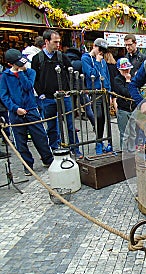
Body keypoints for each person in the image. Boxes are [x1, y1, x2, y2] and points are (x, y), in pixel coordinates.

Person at [0, 49, 53, 175]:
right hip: (15, 112)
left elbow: (28, 86)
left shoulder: (30, 72)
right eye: (19, 63)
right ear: (10, 64)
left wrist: (21, 73)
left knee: (40, 136)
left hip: (31, 109)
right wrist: (14, 108)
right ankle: (27, 165)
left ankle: (48, 159)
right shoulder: (5, 76)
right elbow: (4, 95)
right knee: (20, 141)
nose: (23, 64)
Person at [31, 29, 82, 158]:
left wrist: (69, 91)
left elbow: (70, 74)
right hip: (48, 98)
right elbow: (34, 78)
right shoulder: (37, 59)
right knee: (52, 126)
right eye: (55, 42)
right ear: (47, 41)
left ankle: (75, 148)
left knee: (70, 124)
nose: (58, 44)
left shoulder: (61, 56)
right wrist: (40, 93)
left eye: (59, 42)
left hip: (63, 96)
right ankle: (55, 149)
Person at [81, 38, 112, 155]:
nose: (101, 52)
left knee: (104, 118)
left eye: (103, 50)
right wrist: (98, 62)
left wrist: (109, 91)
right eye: (100, 49)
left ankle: (103, 141)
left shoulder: (103, 61)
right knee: (98, 116)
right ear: (94, 46)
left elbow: (106, 76)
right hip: (95, 92)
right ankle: (99, 141)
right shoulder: (86, 58)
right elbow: (91, 74)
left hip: (104, 91)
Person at [113, 58, 137, 152]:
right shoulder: (117, 80)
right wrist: (127, 81)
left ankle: (132, 152)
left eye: (128, 69)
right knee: (124, 134)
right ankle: (125, 153)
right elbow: (126, 92)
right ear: (119, 70)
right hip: (123, 109)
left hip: (133, 109)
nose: (126, 71)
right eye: (124, 70)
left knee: (133, 133)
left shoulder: (133, 78)